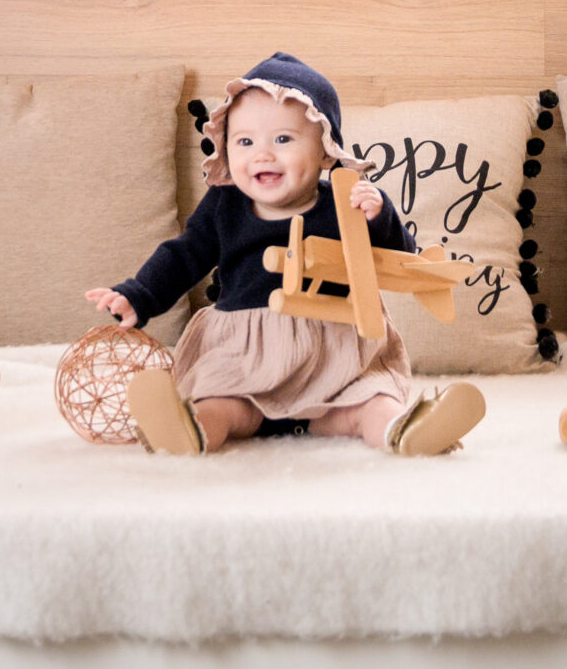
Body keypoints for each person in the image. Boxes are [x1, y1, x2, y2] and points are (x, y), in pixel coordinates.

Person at [87, 51, 485, 456]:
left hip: (333, 357)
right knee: (221, 404)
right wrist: (139, 293)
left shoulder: (346, 204)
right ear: (226, 148)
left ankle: (405, 429)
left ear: (326, 151)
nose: (262, 154)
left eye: (282, 139)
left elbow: (400, 261)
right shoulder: (224, 204)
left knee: (370, 400)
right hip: (245, 356)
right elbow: (183, 255)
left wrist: (379, 217)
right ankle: (191, 430)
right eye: (244, 141)